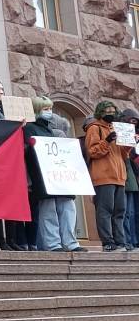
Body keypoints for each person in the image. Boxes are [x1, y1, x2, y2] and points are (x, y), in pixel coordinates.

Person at [26, 96, 85, 252]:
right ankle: (53, 244)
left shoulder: (51, 129)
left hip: (61, 175)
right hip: (43, 176)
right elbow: (27, 153)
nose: (49, 112)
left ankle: (71, 243)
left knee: (68, 208)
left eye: (50, 108)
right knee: (49, 210)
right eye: (46, 109)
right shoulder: (29, 129)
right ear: (37, 110)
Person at [85, 100, 128, 251]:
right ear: (101, 112)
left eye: (113, 111)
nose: (111, 113)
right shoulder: (94, 128)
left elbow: (123, 155)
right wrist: (107, 141)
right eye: (107, 111)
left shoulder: (115, 128)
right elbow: (92, 151)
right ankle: (107, 241)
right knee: (105, 210)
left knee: (120, 211)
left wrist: (128, 143)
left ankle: (120, 241)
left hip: (119, 176)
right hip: (103, 176)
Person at [121, 109, 139, 251]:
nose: (133, 124)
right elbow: (127, 156)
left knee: (132, 213)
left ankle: (133, 240)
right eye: (131, 121)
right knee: (125, 213)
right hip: (123, 178)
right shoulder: (120, 133)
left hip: (132, 179)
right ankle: (128, 240)